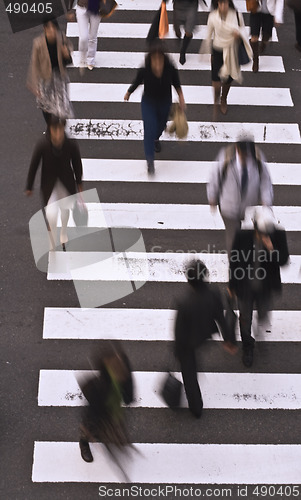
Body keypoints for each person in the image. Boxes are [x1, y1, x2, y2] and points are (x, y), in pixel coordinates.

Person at [175, 260, 237, 418]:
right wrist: (228, 339)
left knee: (189, 376)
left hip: (188, 342)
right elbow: (220, 318)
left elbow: (179, 332)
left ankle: (196, 408)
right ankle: (196, 407)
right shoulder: (214, 293)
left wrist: (177, 351)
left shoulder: (184, 303)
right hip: (204, 334)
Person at [228, 207, 289, 367]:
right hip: (245, 286)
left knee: (263, 314)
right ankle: (248, 346)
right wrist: (232, 285)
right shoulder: (242, 236)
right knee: (245, 317)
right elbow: (234, 261)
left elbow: (283, 260)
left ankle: (259, 333)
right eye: (261, 232)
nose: (264, 236)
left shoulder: (278, 235)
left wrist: (271, 249)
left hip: (265, 287)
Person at [124, 42, 186, 175]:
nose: (157, 60)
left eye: (160, 57)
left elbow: (176, 82)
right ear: (150, 58)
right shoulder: (145, 69)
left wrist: (181, 98)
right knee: (149, 129)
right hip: (149, 102)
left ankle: (156, 138)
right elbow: (137, 81)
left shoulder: (170, 68)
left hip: (165, 102)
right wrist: (129, 92)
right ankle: (150, 161)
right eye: (154, 57)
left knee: (161, 124)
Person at [207, 139, 273, 256]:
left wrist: (266, 201)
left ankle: (253, 259)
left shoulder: (257, 160)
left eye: (249, 154)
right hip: (229, 207)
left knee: (254, 236)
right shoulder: (225, 159)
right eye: (245, 155)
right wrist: (212, 197)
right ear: (237, 149)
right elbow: (214, 178)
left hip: (249, 208)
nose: (247, 158)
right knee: (233, 238)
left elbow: (265, 181)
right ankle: (234, 264)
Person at [25, 116, 83, 251]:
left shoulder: (71, 145)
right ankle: (52, 239)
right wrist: (29, 186)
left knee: (64, 210)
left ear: (64, 129)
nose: (57, 134)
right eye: (54, 130)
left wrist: (79, 182)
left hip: (66, 184)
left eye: (60, 130)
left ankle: (63, 231)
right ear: (49, 129)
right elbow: (34, 165)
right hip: (48, 185)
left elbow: (77, 164)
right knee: (51, 213)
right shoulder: (42, 145)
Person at [78, 346, 134, 471]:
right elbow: (93, 409)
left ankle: (114, 437)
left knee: (115, 423)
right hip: (100, 407)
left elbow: (130, 383)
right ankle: (84, 442)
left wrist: (129, 397)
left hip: (114, 404)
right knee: (90, 426)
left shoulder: (123, 367)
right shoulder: (98, 386)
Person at [204, 0, 252, 116]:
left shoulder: (236, 15)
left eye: (225, 3)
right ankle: (216, 97)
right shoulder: (213, 17)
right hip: (217, 50)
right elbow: (209, 35)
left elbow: (244, 31)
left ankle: (223, 98)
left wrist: (238, 35)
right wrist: (209, 53)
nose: (223, 6)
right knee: (216, 82)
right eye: (220, 3)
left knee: (228, 79)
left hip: (232, 51)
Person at [27, 17, 73, 125]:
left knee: (62, 108)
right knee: (45, 105)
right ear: (44, 29)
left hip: (59, 76)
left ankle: (60, 128)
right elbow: (34, 63)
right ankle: (50, 127)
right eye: (49, 28)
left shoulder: (61, 38)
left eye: (54, 28)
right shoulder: (38, 43)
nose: (52, 31)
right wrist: (34, 83)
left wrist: (66, 54)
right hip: (45, 77)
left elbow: (69, 58)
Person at [249, 0, 284, 72]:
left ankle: (264, 43)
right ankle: (255, 59)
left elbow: (280, 1)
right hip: (256, 10)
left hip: (269, 13)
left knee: (266, 37)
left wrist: (278, 16)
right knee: (254, 37)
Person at [67, 0, 102, 72]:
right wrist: (69, 10)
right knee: (83, 37)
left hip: (96, 8)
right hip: (81, 8)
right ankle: (83, 56)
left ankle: (90, 60)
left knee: (93, 36)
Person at [173, 0, 201, 65]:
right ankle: (178, 35)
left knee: (189, 31)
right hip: (178, 5)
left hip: (192, 5)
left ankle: (183, 51)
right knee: (177, 29)